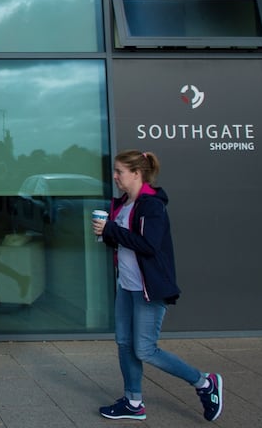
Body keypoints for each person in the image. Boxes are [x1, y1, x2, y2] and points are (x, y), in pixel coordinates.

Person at [92, 150, 223, 422]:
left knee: (145, 349)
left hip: (148, 288)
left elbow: (149, 245)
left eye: (120, 172)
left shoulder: (151, 206)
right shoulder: (123, 204)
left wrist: (110, 231)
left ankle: (204, 383)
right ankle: (133, 402)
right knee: (124, 343)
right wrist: (106, 235)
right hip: (126, 286)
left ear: (137, 173)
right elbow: (124, 243)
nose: (115, 177)